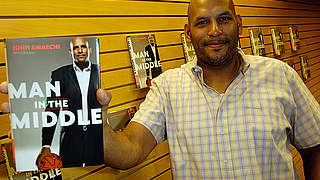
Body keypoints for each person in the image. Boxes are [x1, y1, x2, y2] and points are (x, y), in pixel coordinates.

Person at [1, 0, 320, 179]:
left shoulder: (280, 76)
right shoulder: (168, 86)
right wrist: (88, 119)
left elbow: (315, 147)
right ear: (188, 32)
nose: (214, 31)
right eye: (202, 23)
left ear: (239, 23)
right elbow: (128, 152)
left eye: (223, 20)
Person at [37, 37, 103, 168]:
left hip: (96, 138)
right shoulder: (60, 75)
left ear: (89, 49)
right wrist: (46, 145)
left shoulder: (99, 72)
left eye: (83, 47)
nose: (79, 51)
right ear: (70, 52)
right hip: (70, 140)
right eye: (75, 48)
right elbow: (52, 110)